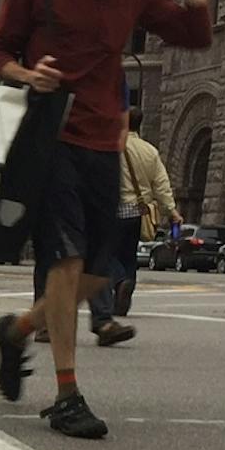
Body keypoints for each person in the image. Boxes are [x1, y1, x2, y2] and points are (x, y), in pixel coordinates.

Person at [0, 0, 214, 438]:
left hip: (103, 145)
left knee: (100, 273)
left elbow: (196, 32)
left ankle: (15, 330)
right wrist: (26, 73)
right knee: (63, 261)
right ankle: (66, 395)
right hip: (51, 140)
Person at [87, 108, 180, 343]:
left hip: (113, 209)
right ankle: (126, 292)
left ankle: (119, 282)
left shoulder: (114, 146)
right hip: (138, 211)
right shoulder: (150, 151)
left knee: (107, 255)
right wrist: (171, 210)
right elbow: (161, 184)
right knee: (129, 255)